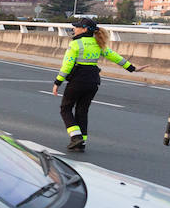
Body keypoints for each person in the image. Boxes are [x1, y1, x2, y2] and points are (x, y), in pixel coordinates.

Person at [51, 18, 141, 151]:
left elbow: (67, 65)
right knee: (82, 111)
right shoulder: (98, 43)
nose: (74, 29)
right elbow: (114, 56)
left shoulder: (76, 44)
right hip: (93, 81)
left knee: (66, 108)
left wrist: (58, 82)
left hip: (77, 80)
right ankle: (82, 143)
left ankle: (76, 137)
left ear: (85, 29)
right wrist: (131, 68)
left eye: (77, 27)